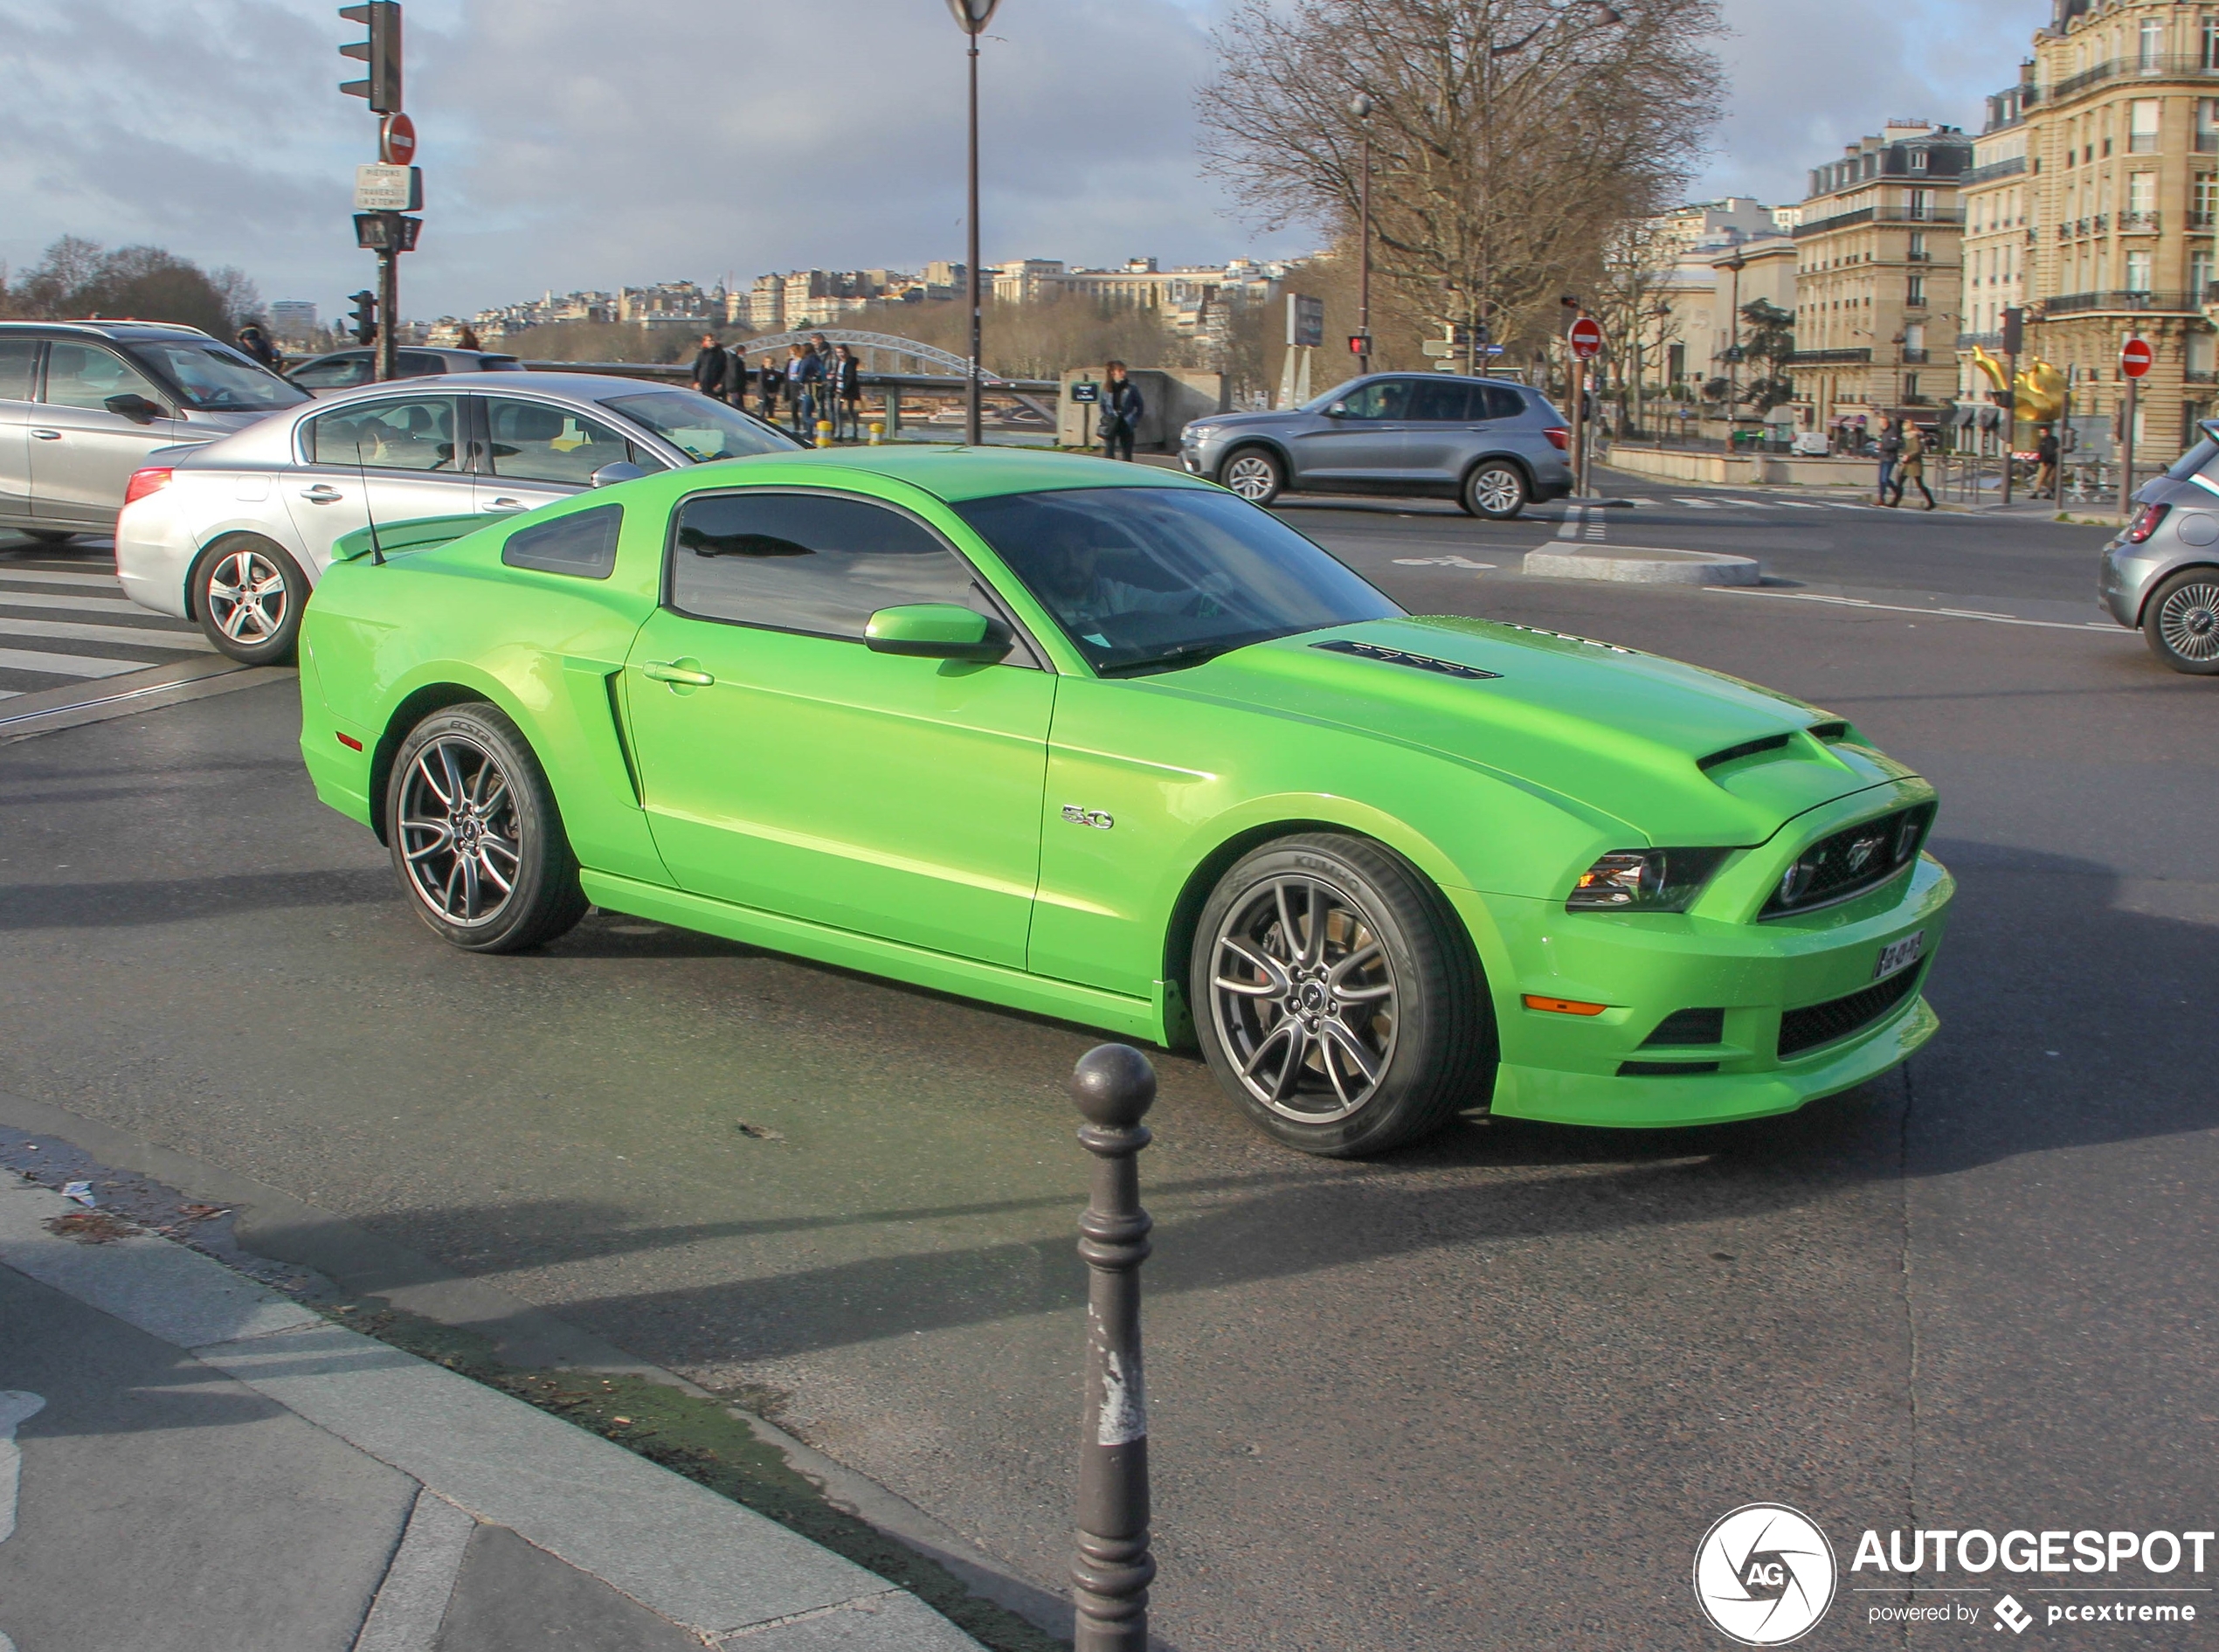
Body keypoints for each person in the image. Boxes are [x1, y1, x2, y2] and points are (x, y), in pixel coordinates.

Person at [1886, 420, 1937, 510]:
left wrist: (1908, 456)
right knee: (1900, 482)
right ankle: (1896, 501)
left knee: (1919, 484)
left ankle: (1931, 502)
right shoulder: (1906, 436)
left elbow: (1917, 450)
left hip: (1914, 464)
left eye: (1905, 425)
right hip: (1908, 464)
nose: (1903, 426)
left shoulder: (1914, 436)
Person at [1099, 362, 1144, 462]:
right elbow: (1102, 405)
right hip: (1111, 422)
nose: (1123, 373)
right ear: (1112, 373)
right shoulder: (1107, 388)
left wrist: (1134, 419)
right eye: (1120, 371)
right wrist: (1105, 418)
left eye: (1124, 370)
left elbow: (1140, 405)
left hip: (1126, 422)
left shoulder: (1131, 388)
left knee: (1127, 453)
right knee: (1109, 452)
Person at [785, 342, 823, 436]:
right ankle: (809, 435)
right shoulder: (817, 359)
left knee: (806, 416)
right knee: (809, 413)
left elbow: (800, 378)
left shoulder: (805, 361)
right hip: (818, 389)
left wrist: (799, 378)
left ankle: (821, 425)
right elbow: (823, 373)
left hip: (806, 390)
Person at [827, 344, 862, 439]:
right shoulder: (839, 363)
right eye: (838, 352)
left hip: (848, 391)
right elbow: (836, 376)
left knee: (850, 411)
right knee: (837, 411)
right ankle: (840, 433)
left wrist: (844, 390)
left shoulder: (851, 363)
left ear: (846, 352)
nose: (840, 355)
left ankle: (855, 433)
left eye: (841, 352)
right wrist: (833, 387)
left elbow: (851, 378)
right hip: (838, 390)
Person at [691, 334, 729, 401]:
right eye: (709, 340)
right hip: (703, 384)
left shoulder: (720, 353)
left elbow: (725, 369)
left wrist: (721, 383)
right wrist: (696, 382)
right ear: (705, 342)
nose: (712, 342)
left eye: (713, 340)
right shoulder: (702, 353)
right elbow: (696, 368)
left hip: (715, 385)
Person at [1876, 414, 1903, 505]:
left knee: (1885, 478)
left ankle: (1897, 491)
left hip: (1889, 458)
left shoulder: (1893, 431)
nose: (1879, 424)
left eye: (1880, 422)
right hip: (1883, 457)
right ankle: (1881, 498)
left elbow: (1895, 445)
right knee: (1881, 479)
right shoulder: (1884, 432)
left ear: (1885, 422)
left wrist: (1882, 446)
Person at [2035, 425, 2060, 499]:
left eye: (2043, 432)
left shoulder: (2048, 441)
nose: (2041, 434)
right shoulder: (2052, 440)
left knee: (2041, 477)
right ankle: (2050, 492)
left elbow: (2048, 452)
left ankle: (2036, 492)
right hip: (2053, 461)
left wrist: (2043, 460)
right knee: (2049, 479)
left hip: (2046, 462)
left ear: (2047, 432)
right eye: (2040, 432)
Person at [757, 354, 782, 424]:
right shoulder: (762, 373)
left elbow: (777, 384)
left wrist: (775, 392)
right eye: (767, 362)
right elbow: (762, 384)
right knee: (762, 412)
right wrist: (767, 393)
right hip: (763, 395)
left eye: (771, 363)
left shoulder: (775, 374)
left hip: (772, 395)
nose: (769, 364)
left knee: (771, 413)